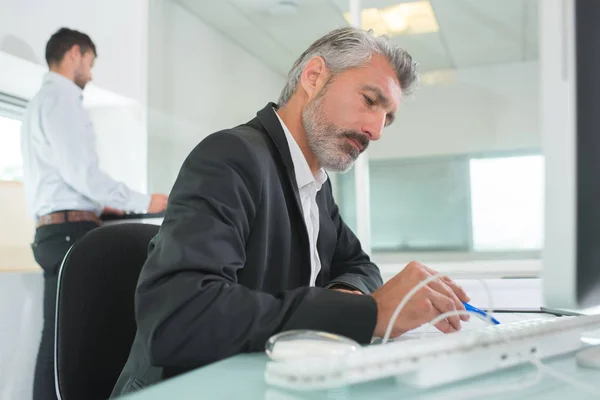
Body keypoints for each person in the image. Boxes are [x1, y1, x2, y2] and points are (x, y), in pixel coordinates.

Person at [111, 26, 470, 396]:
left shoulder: (315, 184)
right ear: (313, 77)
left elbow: (359, 266)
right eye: (369, 100)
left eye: (388, 118)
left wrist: (346, 293)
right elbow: (182, 316)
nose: (376, 130)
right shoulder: (230, 157)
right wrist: (370, 314)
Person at [20, 27, 168, 400]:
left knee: (55, 340)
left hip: (55, 230)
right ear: (75, 54)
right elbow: (83, 174)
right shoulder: (62, 98)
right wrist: (143, 201)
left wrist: (105, 204)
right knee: (77, 340)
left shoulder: (41, 101)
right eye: (90, 62)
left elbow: (67, 176)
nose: (91, 71)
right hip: (71, 233)